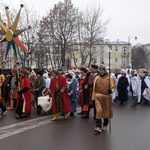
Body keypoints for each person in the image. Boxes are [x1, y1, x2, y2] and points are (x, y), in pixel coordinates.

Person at [92, 64, 115, 133]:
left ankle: (105, 124)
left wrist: (111, 90)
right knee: (98, 111)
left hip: (106, 97)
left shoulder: (109, 77)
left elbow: (113, 87)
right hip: (98, 96)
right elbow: (94, 88)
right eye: (100, 70)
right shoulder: (97, 77)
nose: (101, 71)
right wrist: (93, 98)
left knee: (105, 112)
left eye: (102, 70)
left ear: (105, 70)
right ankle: (98, 127)